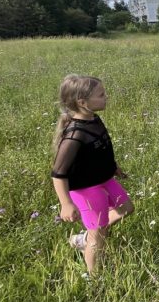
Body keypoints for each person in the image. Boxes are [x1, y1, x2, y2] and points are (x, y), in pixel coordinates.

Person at [51, 75, 134, 275]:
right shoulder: (74, 135)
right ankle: (93, 277)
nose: (106, 97)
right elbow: (58, 173)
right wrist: (66, 204)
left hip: (105, 179)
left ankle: (84, 238)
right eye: (101, 95)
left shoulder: (94, 118)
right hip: (86, 188)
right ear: (83, 103)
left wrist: (114, 167)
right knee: (98, 236)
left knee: (126, 208)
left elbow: (102, 147)